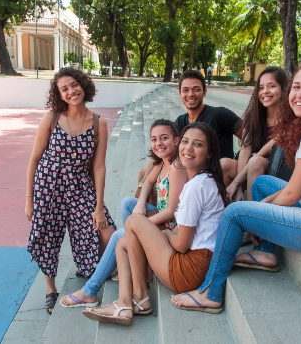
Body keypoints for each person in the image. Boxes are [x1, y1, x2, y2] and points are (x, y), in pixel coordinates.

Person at [171, 56, 301, 313]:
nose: (300, 94)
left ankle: (210, 292)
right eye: (297, 86)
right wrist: (262, 212)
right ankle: (266, 252)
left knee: (236, 213)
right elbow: (292, 190)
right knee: (262, 184)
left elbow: (292, 194)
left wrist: (256, 216)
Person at [83, 122, 229, 325]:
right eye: (186, 142)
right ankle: (128, 302)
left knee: (134, 220)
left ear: (210, 153)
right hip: (199, 262)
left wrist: (166, 234)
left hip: (189, 271)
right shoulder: (206, 179)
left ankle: (138, 297)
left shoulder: (196, 187)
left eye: (198, 144)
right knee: (123, 243)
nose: (188, 148)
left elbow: (181, 244)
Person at [59, 119, 188, 308]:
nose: (158, 143)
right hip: (163, 222)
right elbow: (147, 183)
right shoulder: (162, 164)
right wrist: (141, 204)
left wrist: (137, 225)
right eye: (154, 139)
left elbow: (170, 212)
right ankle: (134, 252)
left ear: (176, 141)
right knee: (129, 203)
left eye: (164, 138)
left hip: (173, 228)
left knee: (121, 235)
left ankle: (90, 291)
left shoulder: (177, 167)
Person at [25, 68, 116, 314]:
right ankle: (51, 290)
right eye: (64, 88)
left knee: (107, 232)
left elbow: (99, 167)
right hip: (48, 188)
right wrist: (29, 200)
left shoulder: (99, 123)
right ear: (59, 94)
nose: (70, 91)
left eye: (74, 85)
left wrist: (99, 207)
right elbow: (34, 159)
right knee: (48, 239)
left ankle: (89, 267)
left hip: (80, 186)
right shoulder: (51, 118)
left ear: (83, 85)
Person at [135, 70, 242, 203]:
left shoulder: (220, 115)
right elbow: (161, 152)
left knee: (223, 163)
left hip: (215, 173)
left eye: (196, 89)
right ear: (180, 93)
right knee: (145, 172)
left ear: (204, 92)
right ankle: (151, 216)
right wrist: (142, 184)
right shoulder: (180, 122)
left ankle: (158, 218)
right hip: (191, 171)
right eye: (186, 90)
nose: (190, 94)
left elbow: (249, 139)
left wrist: (239, 183)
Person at [222, 67, 288, 201]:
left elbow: (261, 155)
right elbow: (245, 149)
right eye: (261, 88)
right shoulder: (254, 114)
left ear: (283, 88)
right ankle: (220, 214)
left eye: (271, 86)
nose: (265, 92)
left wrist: (236, 182)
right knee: (223, 164)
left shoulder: (291, 117)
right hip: (253, 168)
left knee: (256, 162)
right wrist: (239, 188)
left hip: (279, 172)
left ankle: (252, 214)